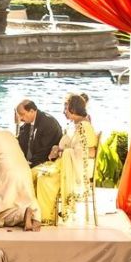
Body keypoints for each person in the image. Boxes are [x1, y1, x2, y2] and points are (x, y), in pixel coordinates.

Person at [32, 92, 98, 224]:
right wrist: (58, 149)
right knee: (32, 172)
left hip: (75, 169)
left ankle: (45, 217)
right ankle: (32, 213)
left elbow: (86, 153)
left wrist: (62, 152)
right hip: (66, 165)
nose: (63, 112)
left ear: (73, 109)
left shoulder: (84, 127)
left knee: (43, 178)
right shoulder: (76, 125)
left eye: (66, 109)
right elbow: (71, 146)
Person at [15, 98, 63, 167]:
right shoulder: (27, 124)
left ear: (31, 111)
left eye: (22, 114)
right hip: (29, 162)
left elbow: (44, 151)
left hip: (45, 163)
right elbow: (20, 143)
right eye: (19, 115)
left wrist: (28, 164)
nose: (20, 118)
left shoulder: (48, 123)